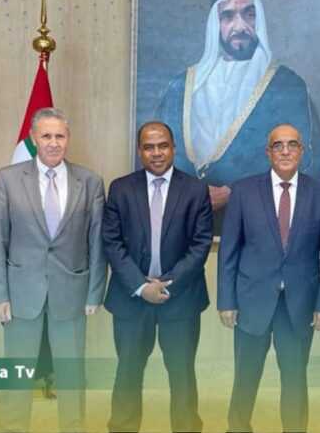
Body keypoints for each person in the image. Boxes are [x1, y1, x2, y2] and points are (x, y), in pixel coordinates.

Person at [155, 0, 320, 214]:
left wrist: (234, 192)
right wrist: (192, 192)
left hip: (257, 219)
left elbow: (305, 163)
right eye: (227, 16)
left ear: (260, 21)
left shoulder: (287, 86)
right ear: (216, 25)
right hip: (186, 217)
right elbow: (156, 156)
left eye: (249, 14)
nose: (239, 26)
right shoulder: (180, 87)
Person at [0, 107, 106, 433]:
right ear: (34, 138)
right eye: (47, 136)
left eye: (60, 136)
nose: (54, 143)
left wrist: (95, 292)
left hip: (72, 291)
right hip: (21, 292)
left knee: (71, 374)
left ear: (68, 138)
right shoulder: (8, 179)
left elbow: (97, 243)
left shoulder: (90, 181)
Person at [218, 123, 320, 433]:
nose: (285, 151)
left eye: (292, 144)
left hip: (299, 305)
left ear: (302, 151)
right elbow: (229, 251)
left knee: (295, 381)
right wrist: (226, 301)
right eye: (278, 145)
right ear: (268, 152)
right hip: (251, 302)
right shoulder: (244, 191)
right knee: (245, 379)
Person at [103, 121, 213, 433]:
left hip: (180, 299)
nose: (156, 153)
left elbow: (200, 244)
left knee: (182, 374)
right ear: (140, 151)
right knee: (128, 372)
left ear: (173, 148)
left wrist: (166, 285)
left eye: (162, 145)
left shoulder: (195, 190)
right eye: (149, 147)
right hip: (131, 298)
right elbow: (112, 242)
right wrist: (141, 286)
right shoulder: (121, 188)